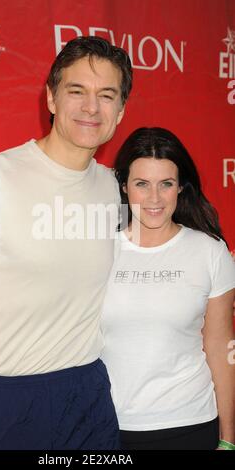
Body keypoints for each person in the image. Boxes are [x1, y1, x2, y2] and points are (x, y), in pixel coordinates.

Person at [0, 36, 132, 450]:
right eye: (76, 91)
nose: (91, 107)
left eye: (106, 95)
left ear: (121, 111)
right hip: (1, 399)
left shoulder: (111, 187)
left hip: (88, 395)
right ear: (51, 99)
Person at [100, 127, 235, 450]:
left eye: (166, 184)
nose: (154, 199)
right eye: (142, 184)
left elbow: (220, 348)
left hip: (190, 423)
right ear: (124, 186)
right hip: (108, 424)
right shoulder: (98, 249)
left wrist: (229, 438)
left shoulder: (209, 251)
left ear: (181, 188)